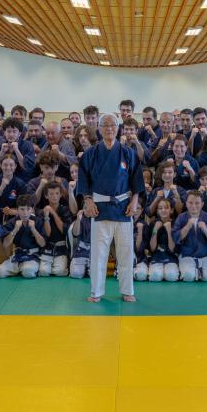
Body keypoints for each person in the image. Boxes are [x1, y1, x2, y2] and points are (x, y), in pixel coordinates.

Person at [75, 113, 144, 303]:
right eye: (105, 125)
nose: (109, 128)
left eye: (112, 125)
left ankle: (127, 290)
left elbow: (136, 179)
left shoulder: (127, 152)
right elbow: (83, 180)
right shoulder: (91, 154)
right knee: (98, 253)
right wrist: (88, 200)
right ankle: (96, 292)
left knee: (125, 252)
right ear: (99, 128)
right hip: (99, 207)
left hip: (123, 207)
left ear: (118, 128)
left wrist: (135, 200)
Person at [173, 190, 207, 282]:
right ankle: (194, 271)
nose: (193, 206)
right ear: (186, 203)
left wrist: (205, 229)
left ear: (202, 204)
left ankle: (200, 272)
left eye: (197, 203)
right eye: (190, 203)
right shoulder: (181, 218)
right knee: (188, 277)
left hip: (206, 254)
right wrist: (187, 226)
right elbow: (176, 237)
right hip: (187, 254)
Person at [0, 194, 45, 278]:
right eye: (22, 209)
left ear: (32, 209)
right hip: (17, 255)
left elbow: (42, 244)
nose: (25, 212)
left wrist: (34, 230)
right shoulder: (12, 222)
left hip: (33, 255)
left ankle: (24, 269)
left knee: (28, 272)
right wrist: (15, 230)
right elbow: (5, 244)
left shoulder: (38, 221)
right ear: (17, 210)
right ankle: (20, 268)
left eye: (28, 209)